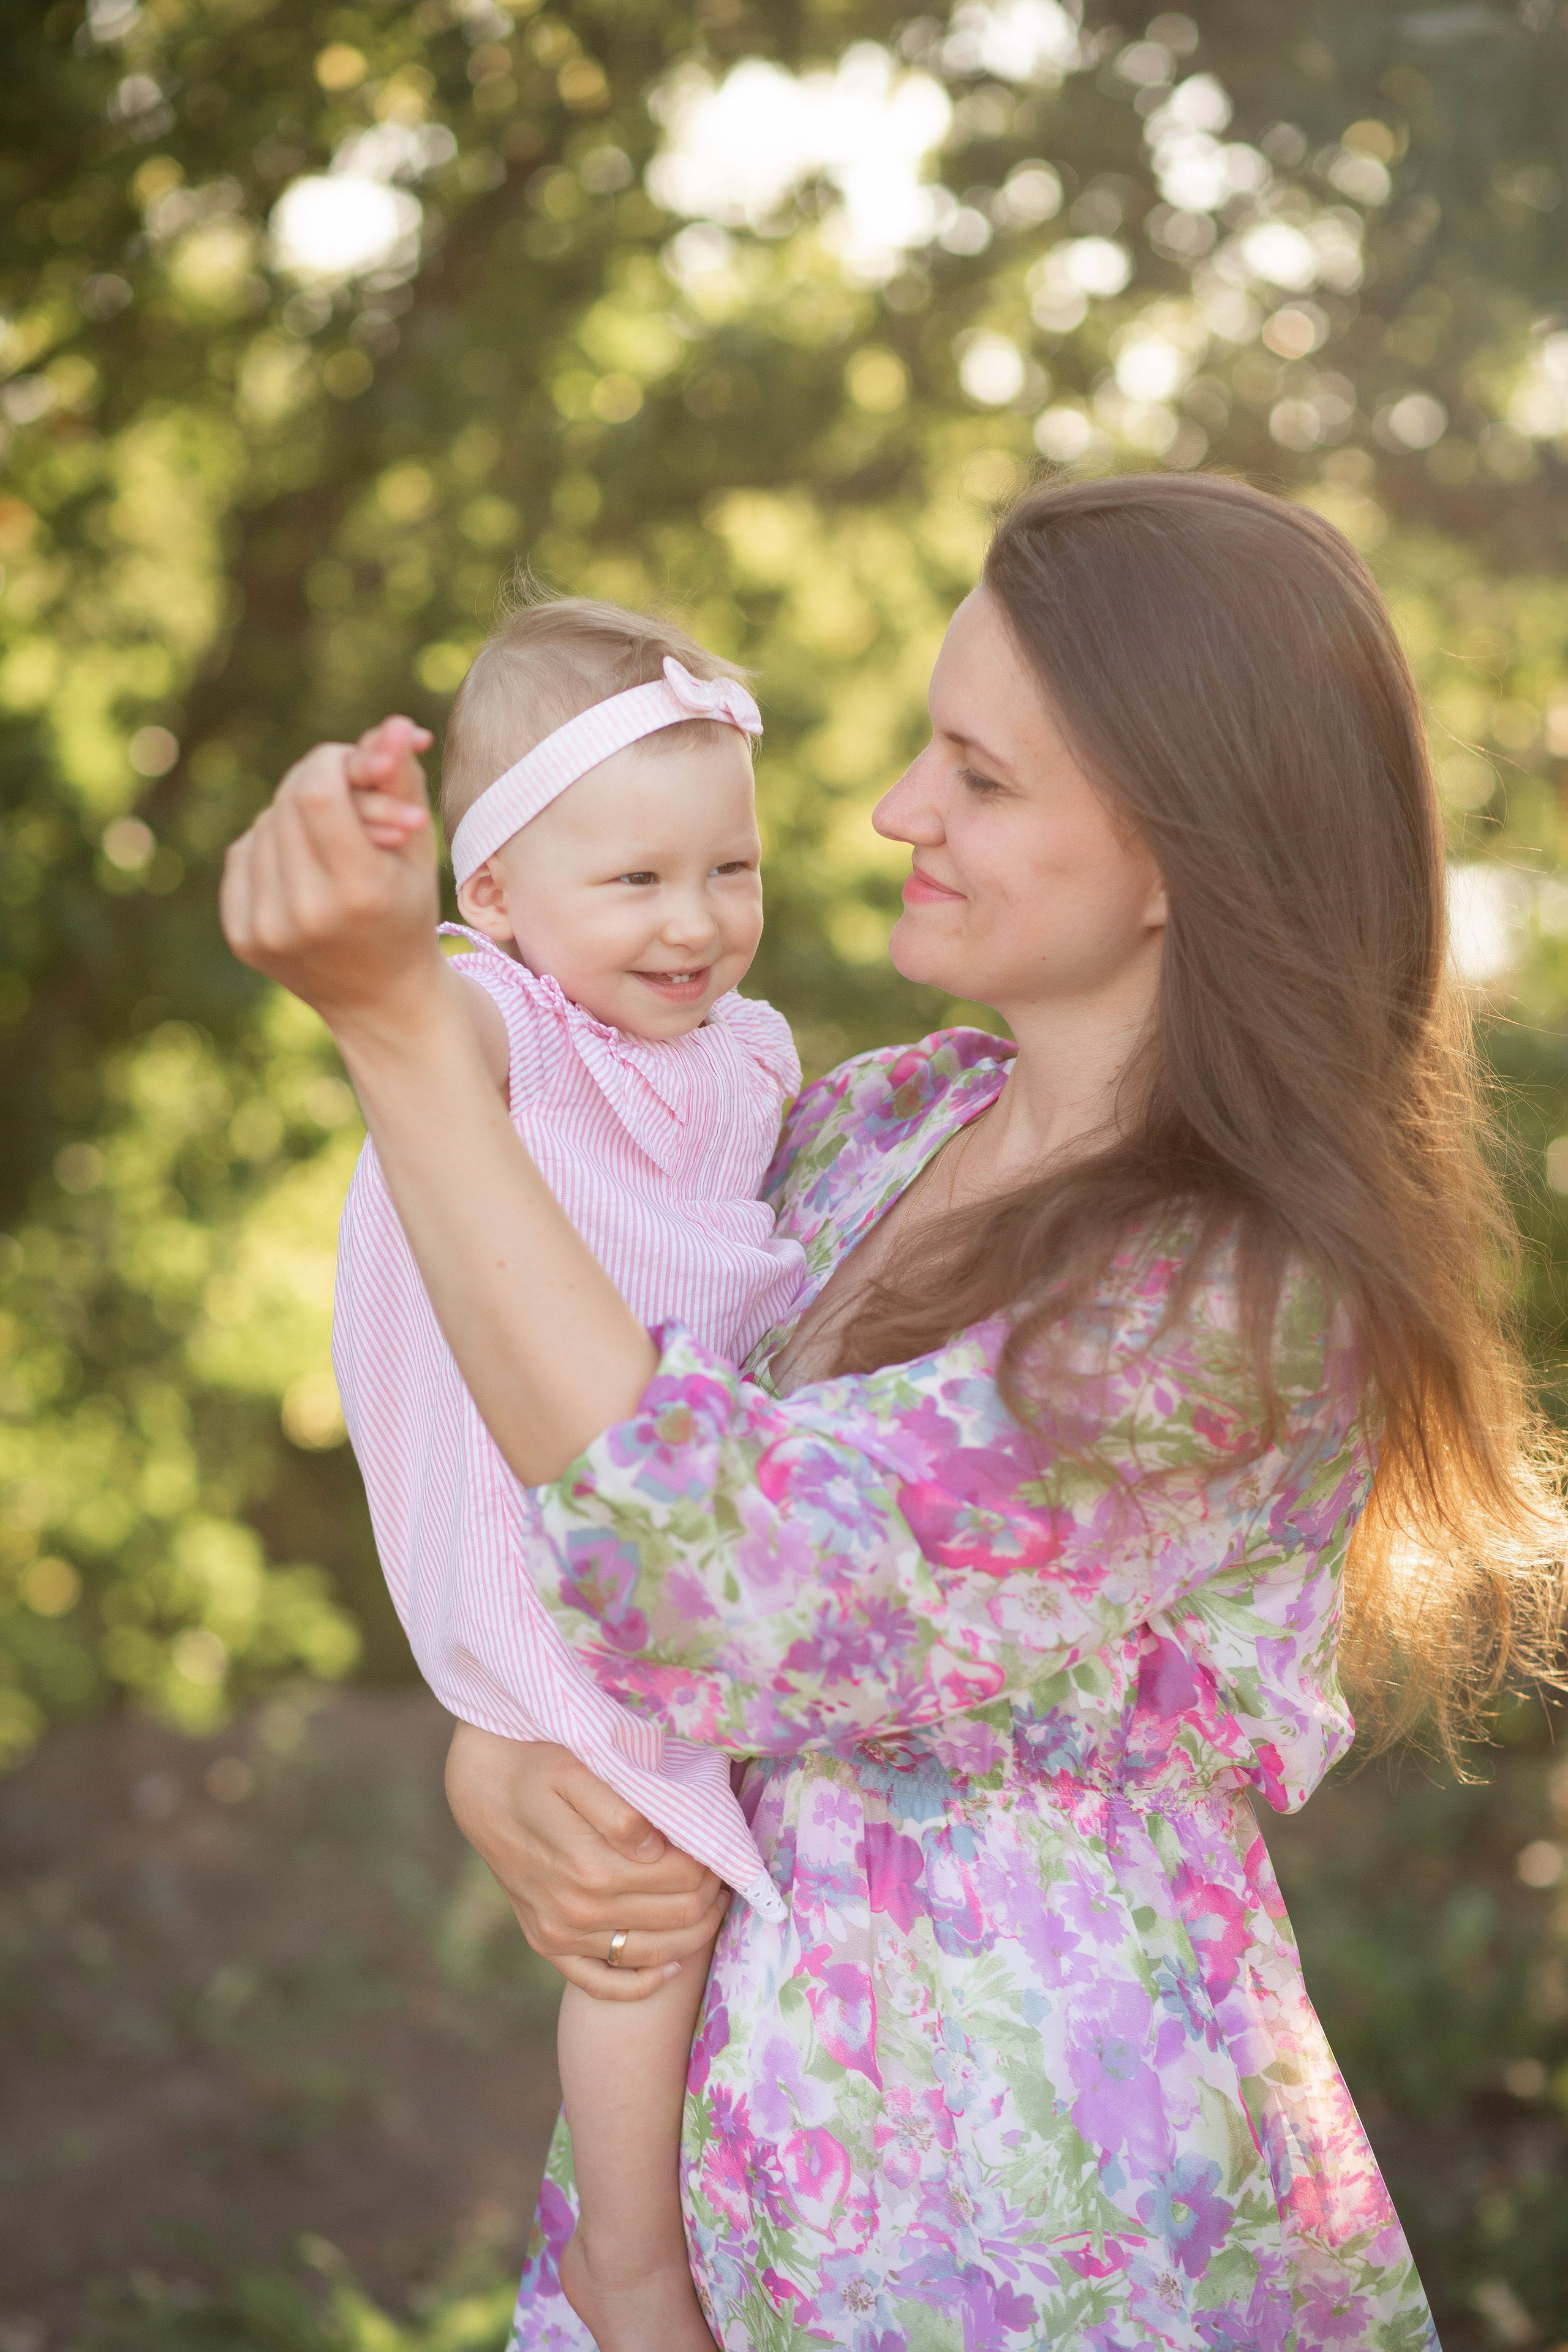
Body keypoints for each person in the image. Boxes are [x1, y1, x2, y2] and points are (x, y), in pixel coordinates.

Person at [222, 471, 1567, 2351]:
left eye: (982, 778)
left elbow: (725, 1583)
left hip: (1013, 2224)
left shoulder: (1241, 1297)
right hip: (707, 2177)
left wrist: (396, 1035)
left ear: (1188, 849)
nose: (891, 812)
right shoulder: (875, 1125)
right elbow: (569, 1450)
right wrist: (503, 1748)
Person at [328, 595, 813, 2351]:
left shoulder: (756, 1051)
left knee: (662, 1861)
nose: (696, 924)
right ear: (498, 904)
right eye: (636, 884)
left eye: (731, 871)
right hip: (553, 1533)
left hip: (696, 1525)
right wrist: (376, 973)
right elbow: (418, 1057)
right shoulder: (506, 1023)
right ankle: (628, 2257)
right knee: (640, 1887)